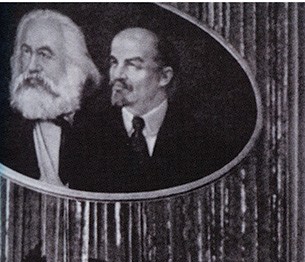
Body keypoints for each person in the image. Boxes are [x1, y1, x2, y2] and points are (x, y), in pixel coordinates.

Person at [74, 27, 220, 193]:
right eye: (114, 62)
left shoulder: (200, 140)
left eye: (133, 65)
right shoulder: (86, 134)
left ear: (164, 77)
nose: (117, 74)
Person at [0, 9, 100, 186]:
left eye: (44, 54)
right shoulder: (6, 130)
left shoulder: (101, 132)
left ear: (73, 66)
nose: (31, 67)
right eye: (26, 52)